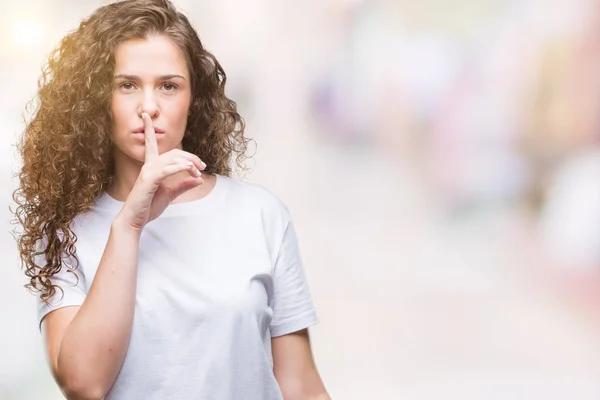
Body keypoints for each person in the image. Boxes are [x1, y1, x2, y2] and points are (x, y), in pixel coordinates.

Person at [11, 1, 330, 399]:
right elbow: (84, 384)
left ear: (192, 99)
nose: (149, 107)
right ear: (95, 100)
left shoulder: (261, 214)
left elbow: (300, 385)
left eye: (169, 85)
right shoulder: (68, 231)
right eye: (126, 85)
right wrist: (128, 226)